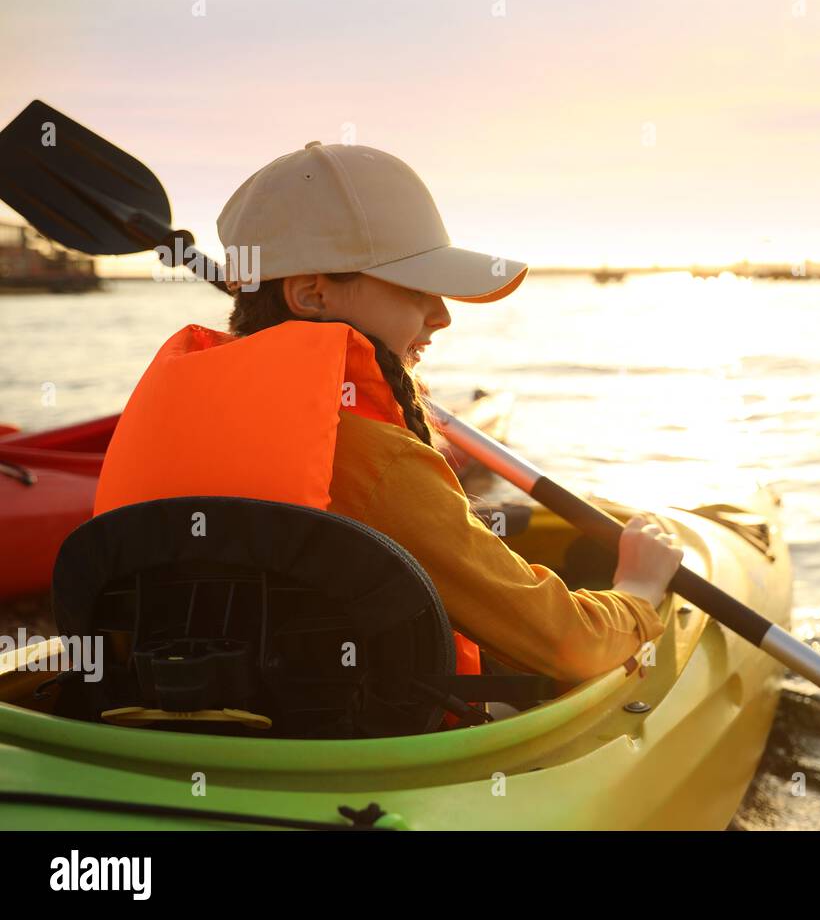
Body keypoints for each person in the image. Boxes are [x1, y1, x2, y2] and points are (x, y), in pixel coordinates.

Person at [95, 141, 676, 686]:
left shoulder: (189, 417)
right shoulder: (377, 460)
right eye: (417, 286)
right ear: (312, 295)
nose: (441, 315)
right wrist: (638, 588)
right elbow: (571, 647)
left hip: (174, 707)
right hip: (349, 747)